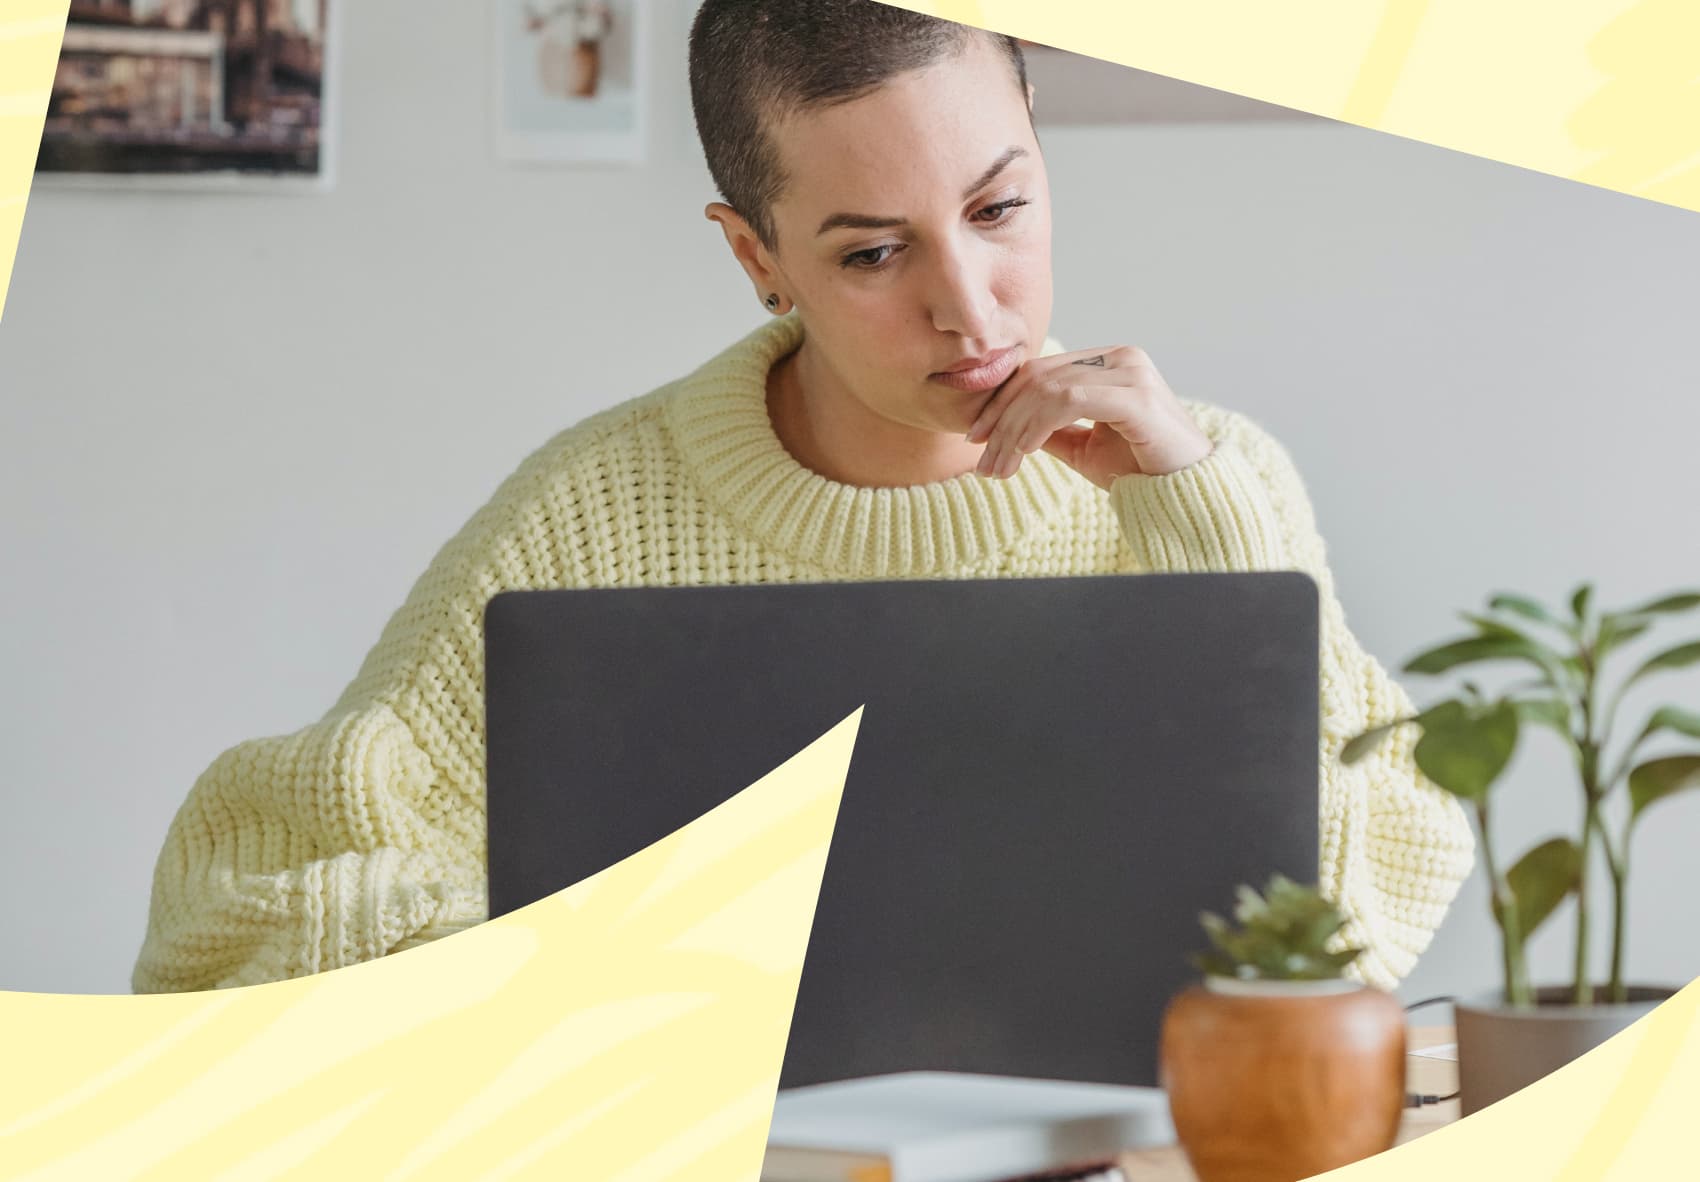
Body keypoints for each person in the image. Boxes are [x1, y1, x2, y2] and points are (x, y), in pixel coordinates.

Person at [132, 0, 1474, 994]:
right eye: (876, 251)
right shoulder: (588, 518)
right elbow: (223, 921)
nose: (968, 307)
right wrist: (607, 951)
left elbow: (1355, 921)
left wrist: (1204, 526)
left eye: (1001, 209)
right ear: (757, 257)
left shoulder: (1207, 484)